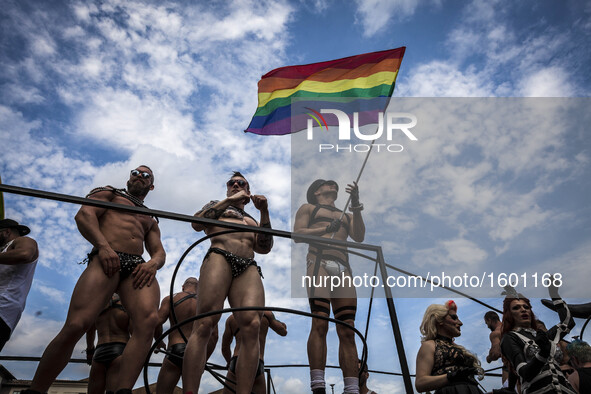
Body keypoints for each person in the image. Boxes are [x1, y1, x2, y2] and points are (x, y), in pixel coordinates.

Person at [25, 166, 166, 394]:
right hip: (108, 256)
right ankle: (36, 390)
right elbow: (84, 215)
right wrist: (103, 247)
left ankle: (123, 390)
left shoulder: (150, 218)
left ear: (151, 185)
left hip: (136, 264)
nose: (139, 176)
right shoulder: (110, 193)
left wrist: (152, 263)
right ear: (129, 177)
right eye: (135, 172)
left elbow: (159, 252)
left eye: (146, 175)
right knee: (76, 324)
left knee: (148, 321)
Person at [182, 171, 273, 394]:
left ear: (248, 191)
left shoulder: (252, 219)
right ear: (227, 188)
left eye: (240, 183)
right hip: (220, 255)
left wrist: (264, 212)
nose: (235, 185)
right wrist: (228, 201)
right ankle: (190, 391)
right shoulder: (218, 206)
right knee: (205, 322)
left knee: (252, 325)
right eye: (231, 183)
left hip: (248, 265)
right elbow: (196, 223)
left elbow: (264, 248)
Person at [293, 179, 365, 394]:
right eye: (326, 184)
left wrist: (356, 203)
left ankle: (352, 388)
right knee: (320, 321)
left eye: (334, 184)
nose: (332, 185)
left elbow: (359, 237)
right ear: (316, 191)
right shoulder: (308, 208)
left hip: (343, 266)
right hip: (319, 261)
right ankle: (318, 384)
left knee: (348, 329)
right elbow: (297, 235)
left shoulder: (348, 215)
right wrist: (325, 228)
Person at [500, 284, 576, 394]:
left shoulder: (542, 336)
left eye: (526, 307)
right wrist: (543, 353)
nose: (523, 310)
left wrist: (554, 295)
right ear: (509, 314)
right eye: (516, 307)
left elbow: (568, 323)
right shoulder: (510, 338)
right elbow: (524, 372)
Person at [154, 277, 218, 394]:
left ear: (183, 287)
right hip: (195, 352)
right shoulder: (207, 305)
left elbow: (156, 322)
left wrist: (159, 341)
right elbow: (214, 335)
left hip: (174, 349)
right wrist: (203, 359)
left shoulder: (170, 299)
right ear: (199, 289)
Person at [415, 300, 484, 394]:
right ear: (440, 320)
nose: (460, 323)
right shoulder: (429, 345)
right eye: (454, 317)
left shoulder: (458, 348)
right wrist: (450, 376)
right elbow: (420, 383)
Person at [221, 310, 287, 394]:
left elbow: (224, 348)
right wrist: (283, 326)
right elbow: (283, 332)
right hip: (256, 361)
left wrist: (229, 362)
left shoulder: (231, 318)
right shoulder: (266, 313)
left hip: (237, 360)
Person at [0, 218, 39, 352]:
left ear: (6, 232)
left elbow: (25, 254)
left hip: (3, 307)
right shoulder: (4, 252)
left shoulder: (23, 241)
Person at [85, 293, 130, 394]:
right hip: (120, 348)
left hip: (99, 351)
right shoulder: (126, 303)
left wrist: (90, 351)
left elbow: (90, 331)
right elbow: (135, 332)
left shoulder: (99, 304)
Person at [484, 311, 508, 384]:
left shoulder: (496, 333)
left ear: (489, 320)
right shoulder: (511, 326)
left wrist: (489, 358)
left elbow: (495, 354)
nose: (488, 326)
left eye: (486, 323)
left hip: (511, 367)